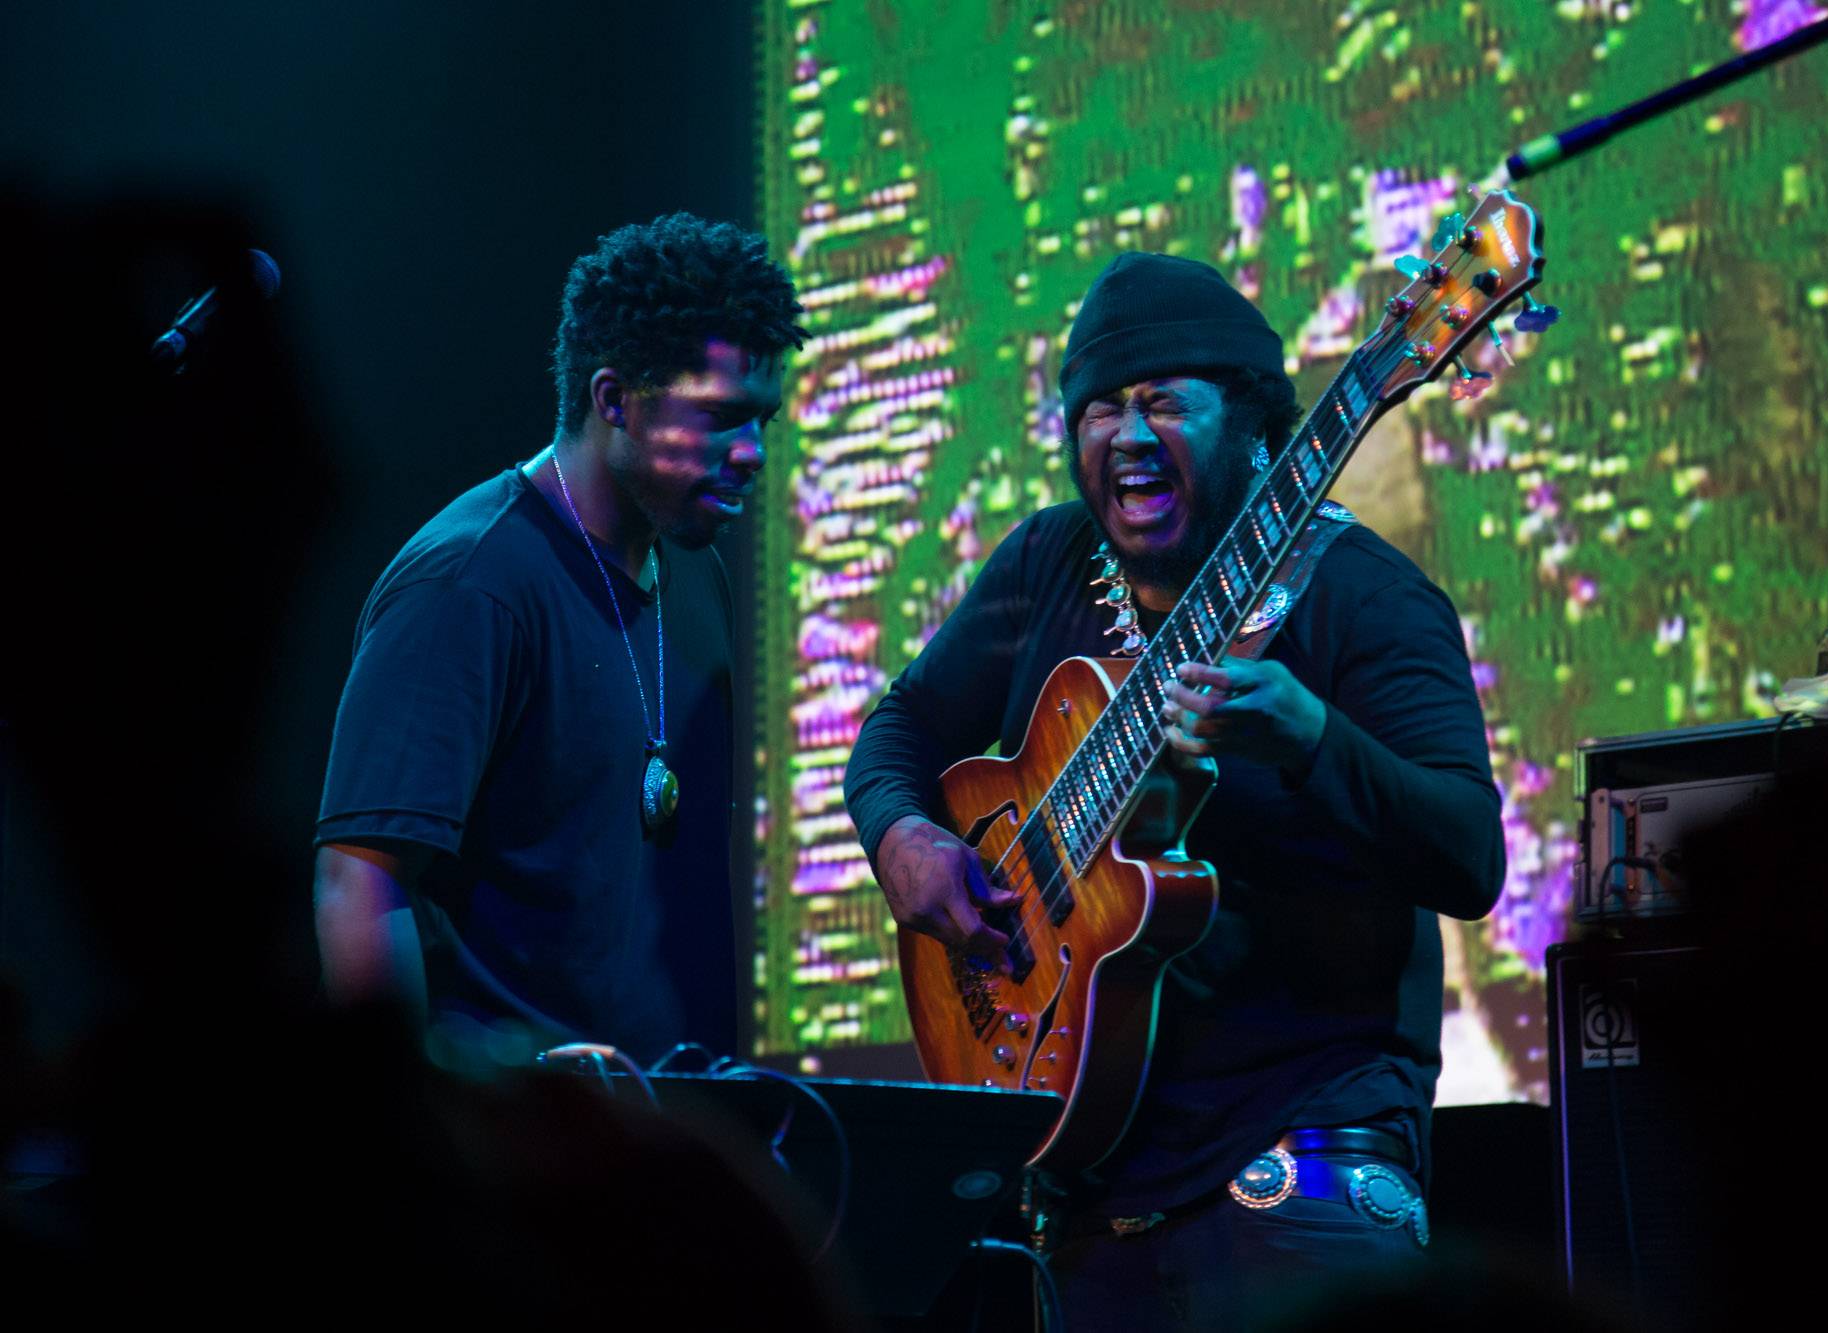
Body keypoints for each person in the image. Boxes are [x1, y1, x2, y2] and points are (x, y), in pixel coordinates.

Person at [844, 253, 1505, 1328]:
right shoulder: (1046, 562)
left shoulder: (1364, 599)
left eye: (1162, 403)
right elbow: (900, 729)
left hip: (1299, 1160)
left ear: (1251, 428)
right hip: (1094, 1185)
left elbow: (1470, 858)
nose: (1125, 436)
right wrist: (903, 840)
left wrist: (1309, 738)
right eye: (1098, 410)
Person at [313, 212, 804, 1069]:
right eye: (723, 416)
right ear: (613, 399)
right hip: (513, 1158)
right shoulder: (468, 582)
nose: (754, 452)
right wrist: (413, 1136)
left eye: (763, 420)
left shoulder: (697, 574)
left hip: (663, 1133)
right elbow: (362, 878)